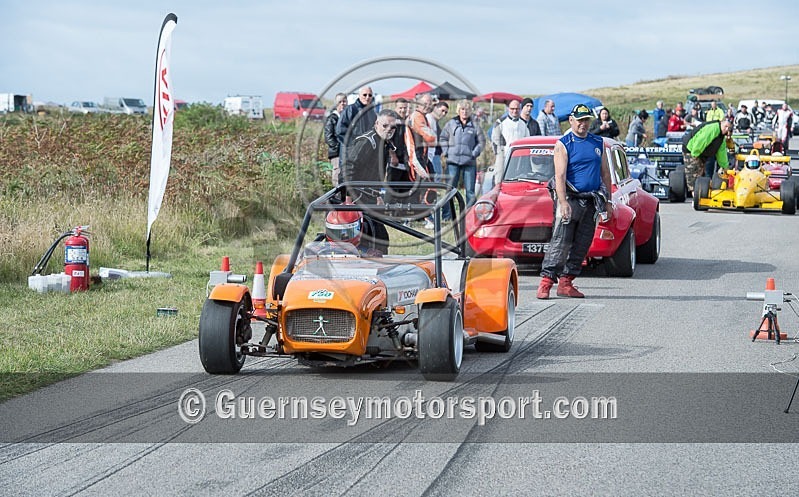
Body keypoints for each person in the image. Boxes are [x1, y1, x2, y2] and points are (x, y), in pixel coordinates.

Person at [536, 104, 613, 300]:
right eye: (579, 120)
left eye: (586, 120)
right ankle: (546, 283)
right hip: (570, 198)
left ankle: (566, 282)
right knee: (560, 242)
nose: (583, 124)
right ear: (571, 121)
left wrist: (608, 202)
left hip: (591, 200)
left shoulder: (598, 142)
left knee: (582, 244)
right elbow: (559, 176)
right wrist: (562, 203)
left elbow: (605, 173)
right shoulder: (564, 143)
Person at [339, 108, 399, 194]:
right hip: (357, 195)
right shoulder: (367, 141)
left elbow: (378, 174)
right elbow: (348, 167)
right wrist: (347, 196)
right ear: (377, 124)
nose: (389, 129)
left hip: (370, 195)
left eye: (393, 127)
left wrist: (377, 195)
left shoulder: (385, 144)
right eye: (385, 125)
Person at [440, 99, 486, 211]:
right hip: (452, 161)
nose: (464, 112)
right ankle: (447, 214)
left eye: (467, 109)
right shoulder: (451, 123)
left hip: (469, 162)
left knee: (470, 190)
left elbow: (481, 141)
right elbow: (443, 138)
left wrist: (474, 154)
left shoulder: (475, 125)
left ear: (470, 111)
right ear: (458, 110)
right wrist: (446, 152)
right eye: (462, 109)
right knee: (450, 189)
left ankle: (470, 214)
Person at [681, 119, 733, 191]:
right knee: (694, 173)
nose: (727, 135)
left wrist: (725, 167)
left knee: (702, 175)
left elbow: (722, 154)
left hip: (702, 154)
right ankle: (695, 195)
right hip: (691, 150)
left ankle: (700, 193)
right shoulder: (713, 128)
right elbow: (702, 140)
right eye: (728, 132)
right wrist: (695, 155)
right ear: (726, 127)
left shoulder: (721, 138)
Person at [491, 99, 529, 185]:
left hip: (519, 158)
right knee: (499, 180)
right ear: (508, 109)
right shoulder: (500, 122)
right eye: (512, 109)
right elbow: (495, 140)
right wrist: (500, 154)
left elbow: (527, 140)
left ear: (520, 109)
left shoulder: (523, 124)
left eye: (517, 109)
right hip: (504, 156)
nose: (514, 111)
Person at [336, 86, 378, 158]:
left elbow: (374, 131)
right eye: (364, 95)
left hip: (366, 154)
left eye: (370, 95)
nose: (367, 97)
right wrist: (354, 144)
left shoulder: (372, 112)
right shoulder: (350, 109)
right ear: (359, 95)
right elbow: (340, 130)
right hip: (350, 155)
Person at [324, 93, 347, 186]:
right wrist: (339, 147)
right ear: (336, 104)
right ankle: (336, 196)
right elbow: (328, 137)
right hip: (336, 152)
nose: (342, 104)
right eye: (340, 102)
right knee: (337, 173)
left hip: (347, 152)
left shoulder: (348, 118)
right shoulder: (332, 118)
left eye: (344, 101)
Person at [426, 101, 449, 180]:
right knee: (436, 176)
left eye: (445, 112)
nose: (443, 114)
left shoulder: (434, 121)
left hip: (434, 153)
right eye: (442, 110)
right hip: (430, 154)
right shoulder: (429, 119)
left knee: (437, 176)